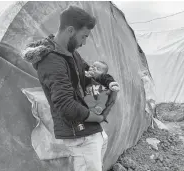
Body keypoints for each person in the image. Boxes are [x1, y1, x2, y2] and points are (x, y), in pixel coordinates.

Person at [22, 5, 119, 171]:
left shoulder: (70, 53)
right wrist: (97, 118)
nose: (85, 42)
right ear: (70, 31)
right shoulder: (52, 61)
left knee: (100, 151)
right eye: (84, 36)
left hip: (87, 127)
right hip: (78, 133)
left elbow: (88, 73)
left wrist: (108, 82)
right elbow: (65, 105)